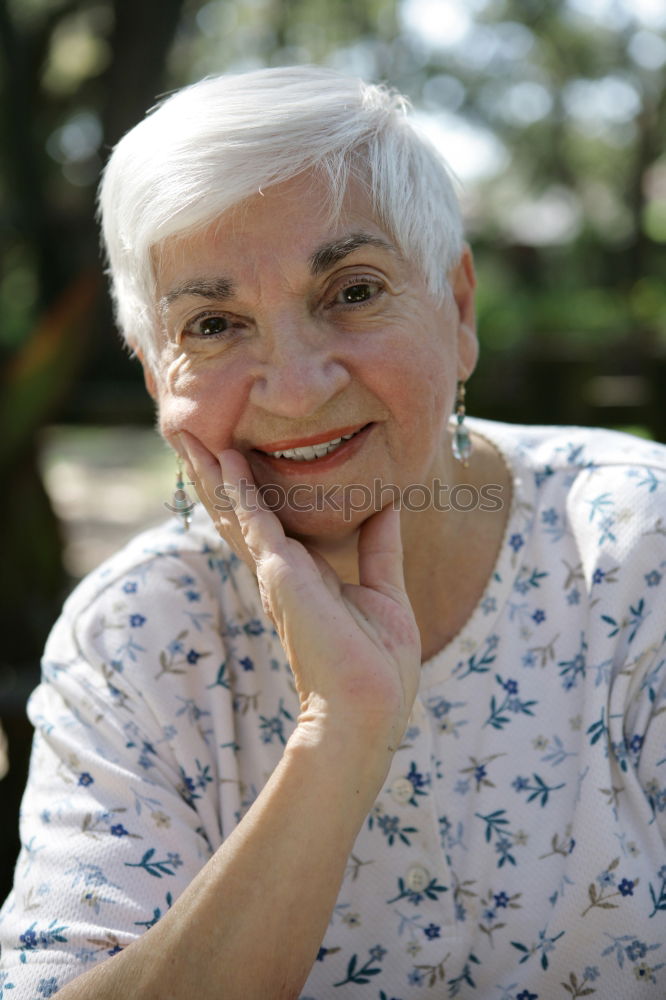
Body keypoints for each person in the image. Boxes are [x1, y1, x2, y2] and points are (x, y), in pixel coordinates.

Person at [1, 65, 665, 1000]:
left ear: (459, 308)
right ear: (157, 378)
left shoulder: (643, 551)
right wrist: (340, 733)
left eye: (352, 292)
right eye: (215, 322)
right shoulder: (132, 638)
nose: (299, 385)